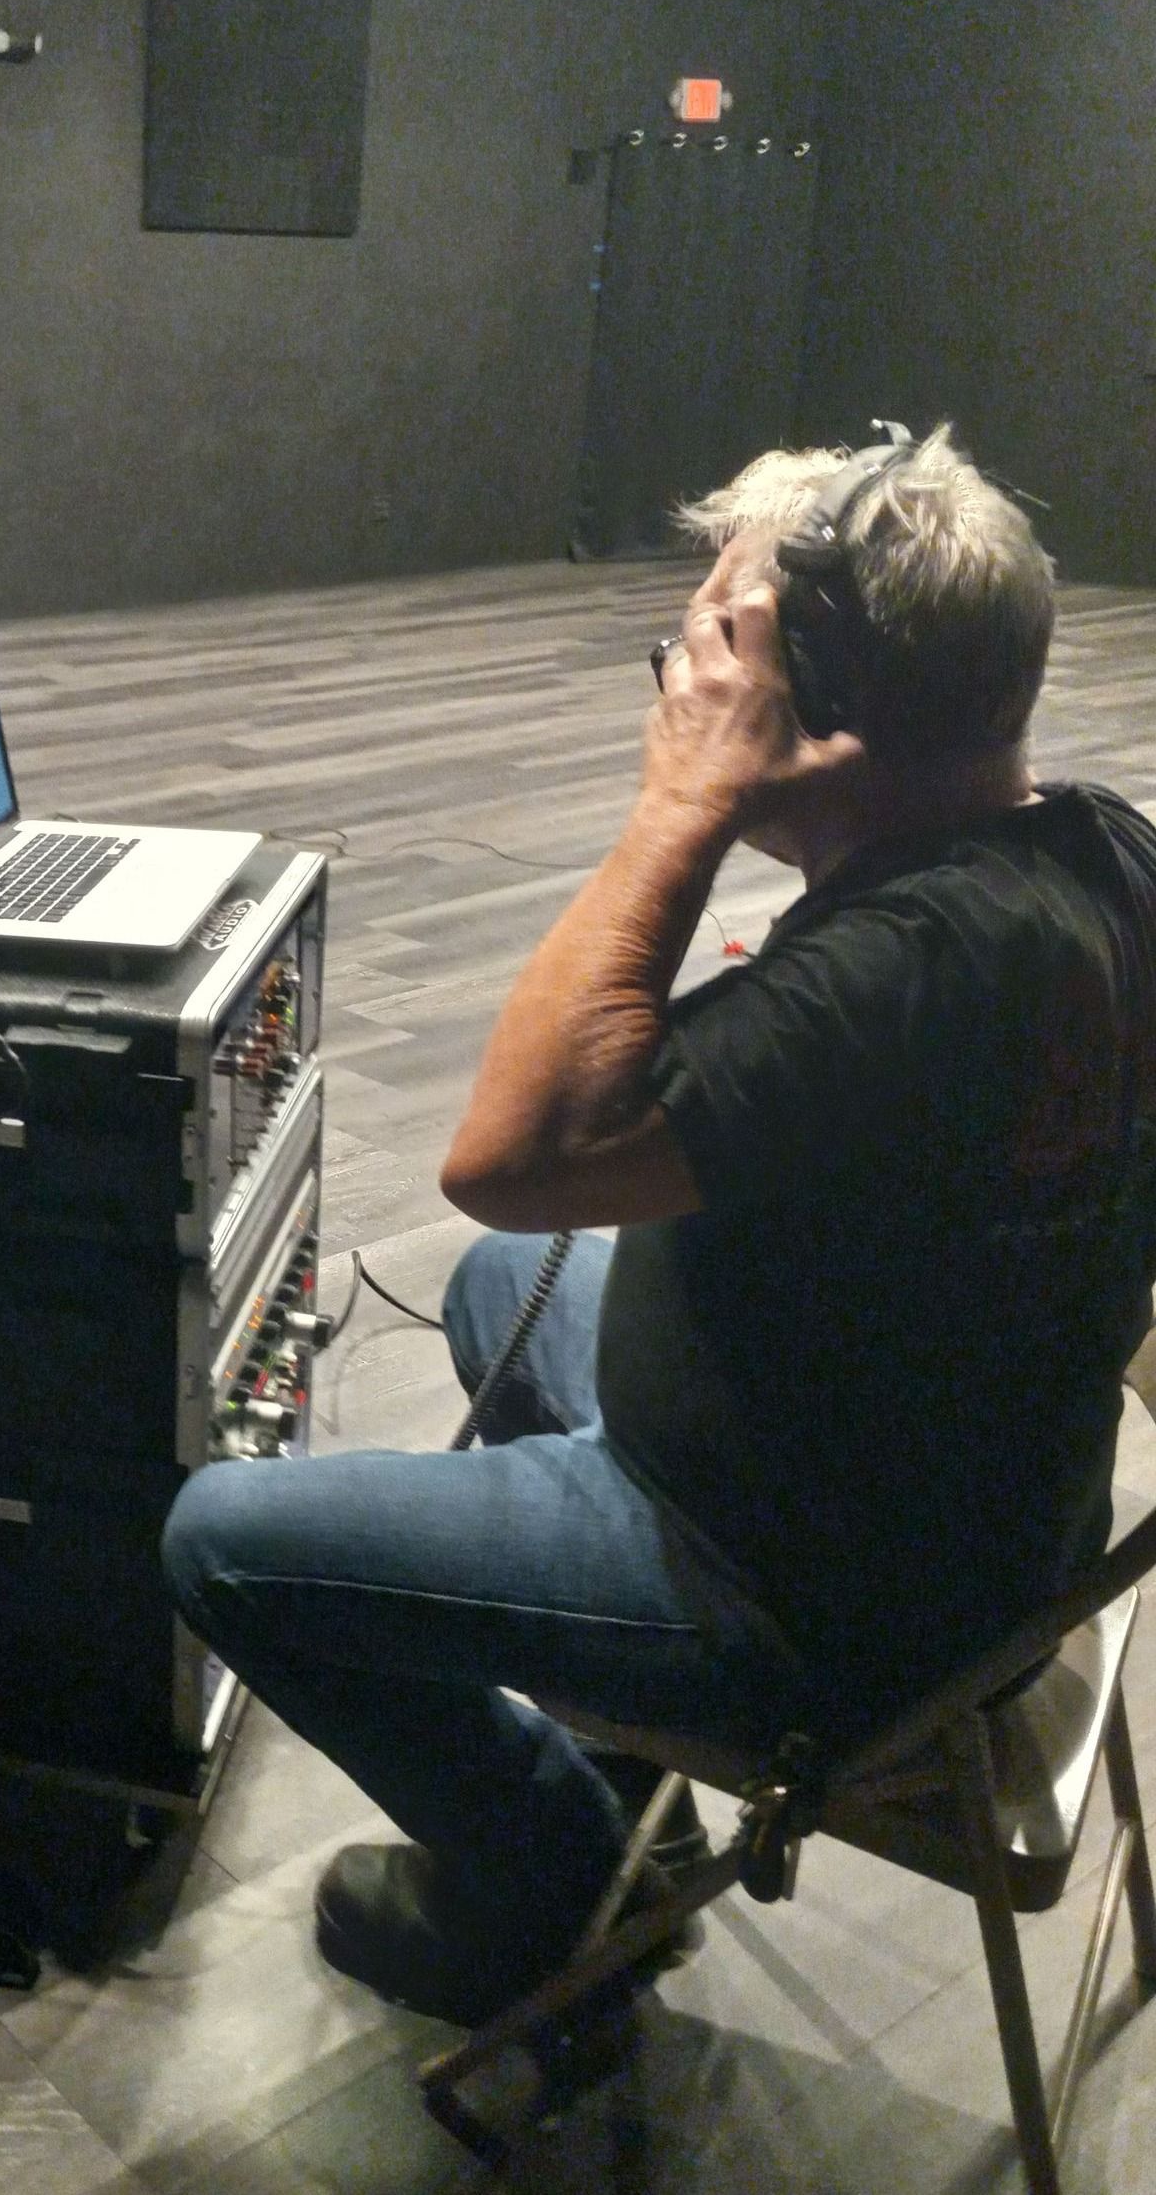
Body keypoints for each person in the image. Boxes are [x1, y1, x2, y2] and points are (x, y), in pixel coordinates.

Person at [162, 426, 1156, 2026]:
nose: (684, 688)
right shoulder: (1095, 851)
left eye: (709, 657)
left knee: (218, 1541)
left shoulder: (893, 976)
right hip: (984, 1522)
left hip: (806, 1605)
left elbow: (505, 1152)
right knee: (503, 1292)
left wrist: (686, 805)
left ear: (817, 713)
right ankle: (618, 1784)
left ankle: (542, 1879)